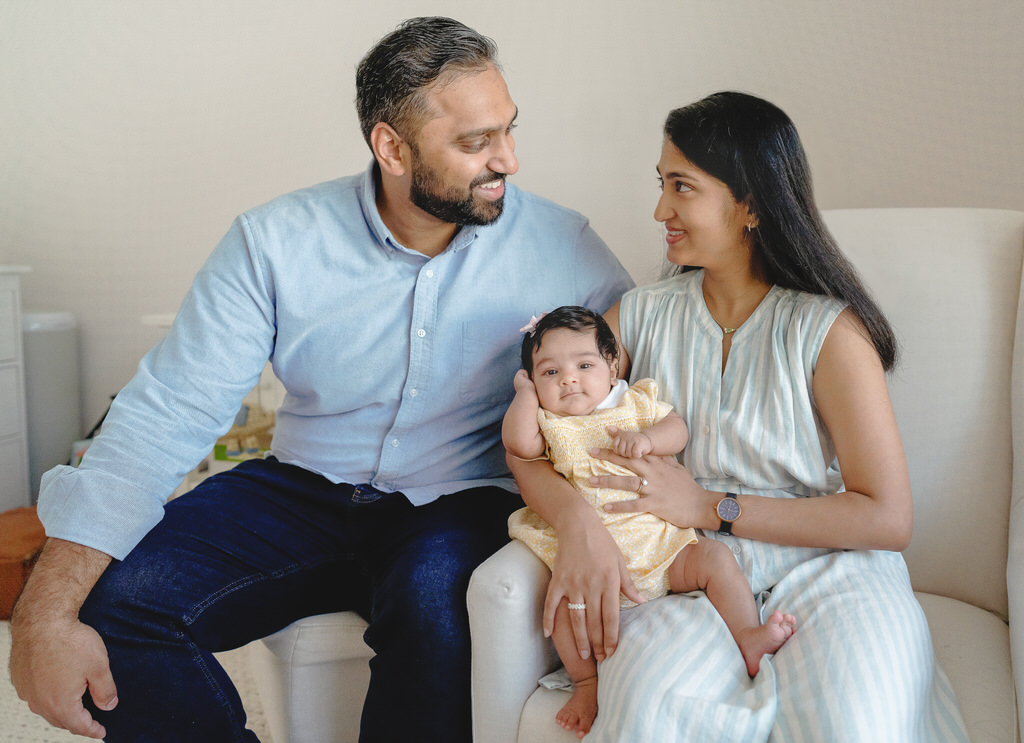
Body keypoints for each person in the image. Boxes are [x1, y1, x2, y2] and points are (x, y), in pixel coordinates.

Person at [8, 17, 633, 743]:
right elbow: (164, 414)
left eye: (508, 129)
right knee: (113, 603)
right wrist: (43, 611)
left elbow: (642, 371)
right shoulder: (273, 242)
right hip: (299, 489)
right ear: (391, 147)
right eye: (476, 142)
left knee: (438, 606)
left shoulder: (564, 245)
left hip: (457, 498)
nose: (510, 159)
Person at [508, 92, 969, 741]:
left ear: (750, 204)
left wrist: (708, 505)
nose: (659, 209)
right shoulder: (638, 315)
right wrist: (577, 518)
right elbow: (533, 444)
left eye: (681, 186)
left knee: (858, 725)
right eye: (661, 183)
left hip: (831, 570)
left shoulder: (829, 332)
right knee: (650, 718)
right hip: (688, 577)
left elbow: (887, 517)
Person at [503, 305, 796, 738]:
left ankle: (748, 634)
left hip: (662, 546)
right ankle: (586, 684)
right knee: (566, 610)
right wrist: (525, 395)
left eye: (584, 365)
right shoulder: (550, 422)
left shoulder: (632, 401)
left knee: (715, 560)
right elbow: (519, 447)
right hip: (594, 565)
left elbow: (677, 429)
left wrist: (648, 440)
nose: (568, 379)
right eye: (548, 373)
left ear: (612, 365)